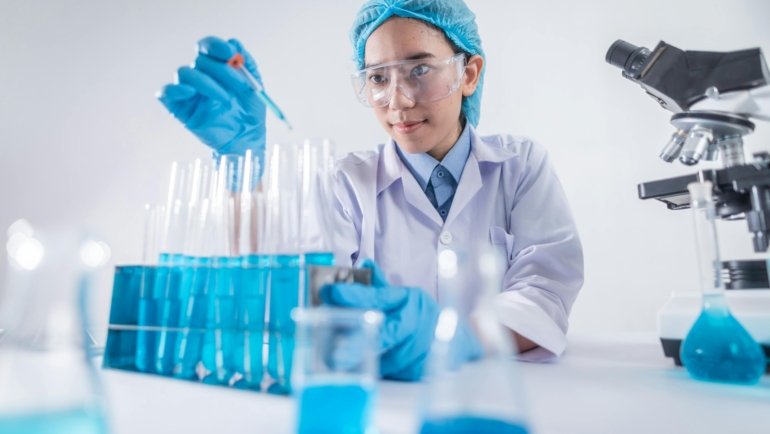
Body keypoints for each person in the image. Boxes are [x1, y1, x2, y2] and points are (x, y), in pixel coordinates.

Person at [158, 0, 583, 381]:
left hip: (497, 394)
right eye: (378, 77)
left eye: (419, 70)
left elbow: (544, 294)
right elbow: (297, 293)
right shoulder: (345, 183)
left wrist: (456, 340)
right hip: (382, 403)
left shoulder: (520, 165)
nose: (397, 100)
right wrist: (242, 170)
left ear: (468, 74)